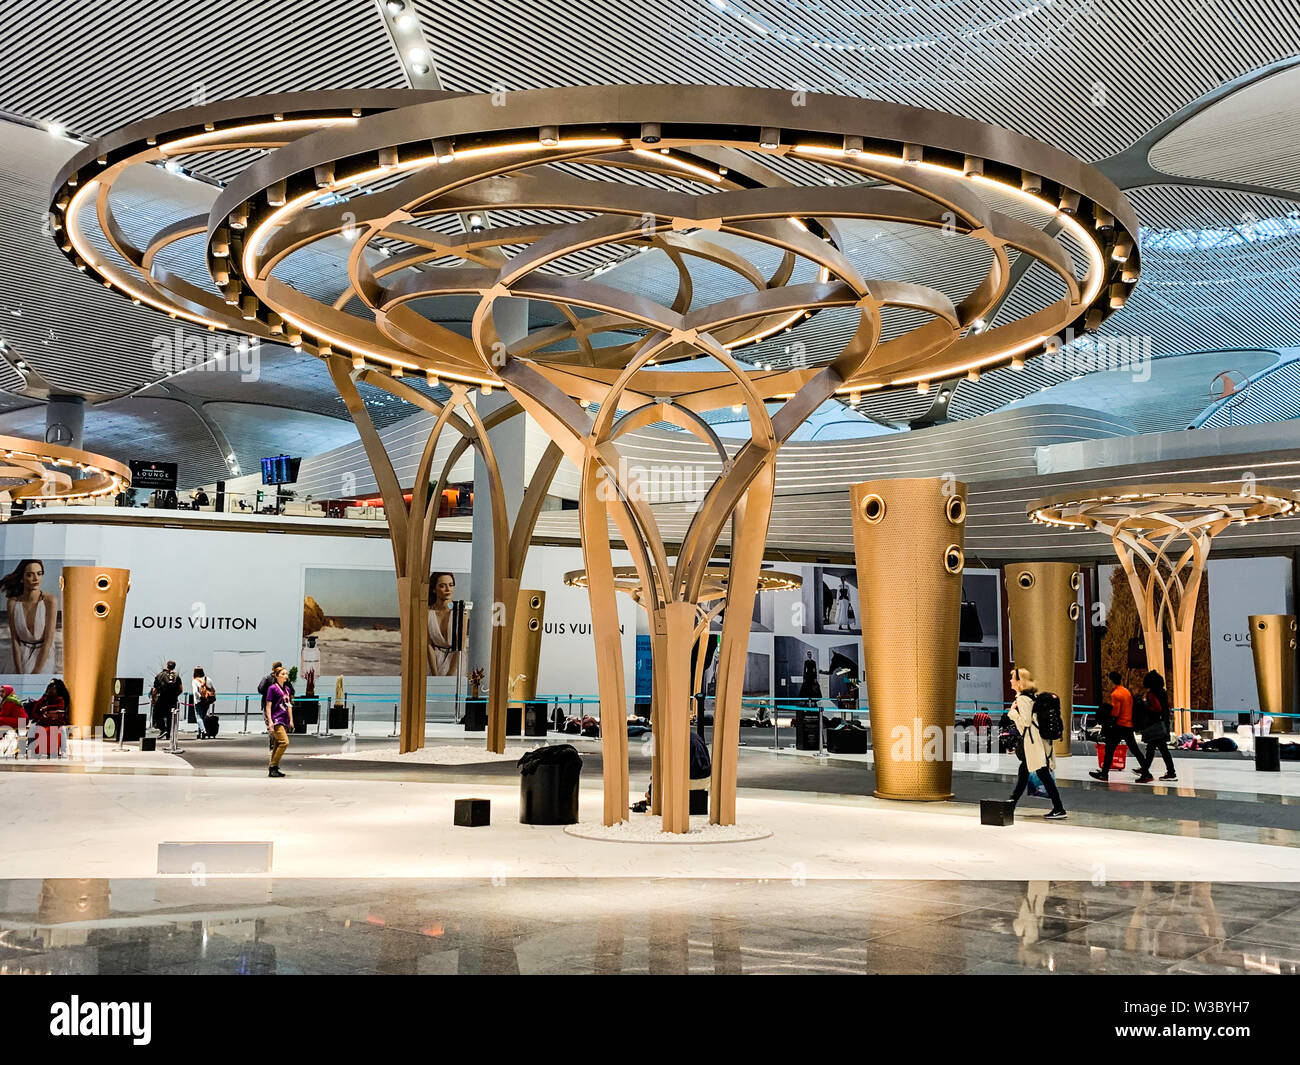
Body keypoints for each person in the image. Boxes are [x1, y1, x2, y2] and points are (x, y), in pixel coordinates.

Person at [1006, 667, 1067, 820]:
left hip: (1033, 744)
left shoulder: (1022, 699)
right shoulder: (1031, 696)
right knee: (1025, 773)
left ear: (1019, 682)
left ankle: (1059, 808)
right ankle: (1010, 805)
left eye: (1013, 678)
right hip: (1037, 743)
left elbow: (1025, 723)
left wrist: (1012, 713)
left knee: (1042, 774)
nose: (1010, 681)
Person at [3, 559, 57, 674]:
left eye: (39, 573)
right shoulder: (12, 603)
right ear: (22, 578)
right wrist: (18, 670)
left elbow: (48, 641)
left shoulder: (50, 601)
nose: (36, 578)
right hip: (20, 652)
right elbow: (15, 640)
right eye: (29, 575)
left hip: (43, 654)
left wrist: (36, 671)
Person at [1090, 671, 1142, 783]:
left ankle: (1104, 774)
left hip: (1120, 725)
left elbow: (1115, 712)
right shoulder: (1126, 691)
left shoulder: (1116, 694)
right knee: (1134, 749)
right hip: (1128, 724)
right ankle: (1146, 771)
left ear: (1111, 681)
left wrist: (1108, 715)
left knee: (1110, 749)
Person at [1134, 670, 1177, 783]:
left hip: (1155, 726)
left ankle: (1146, 772)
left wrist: (1145, 706)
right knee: (1159, 749)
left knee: (1153, 749)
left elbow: (1157, 708)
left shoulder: (1152, 694)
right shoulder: (1163, 692)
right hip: (1163, 723)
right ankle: (1166, 771)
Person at [426, 572, 461, 677]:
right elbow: (428, 645)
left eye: (451, 585)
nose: (448, 589)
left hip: (455, 660)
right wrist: (434, 673)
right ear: (434, 589)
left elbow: (459, 646)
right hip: (433, 660)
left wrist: (450, 673)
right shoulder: (427, 612)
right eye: (442, 586)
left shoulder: (460, 611)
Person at [25, 678, 70, 757]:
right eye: (49, 685)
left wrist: (47, 708)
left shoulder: (61, 698)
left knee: (62, 730)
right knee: (32, 729)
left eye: (53, 685)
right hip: (43, 721)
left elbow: (61, 707)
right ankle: (30, 749)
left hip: (56, 721)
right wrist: (39, 716)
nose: (50, 687)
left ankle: (64, 751)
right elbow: (35, 710)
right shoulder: (45, 698)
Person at [264, 666, 293, 778]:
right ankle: (273, 765)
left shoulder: (287, 689)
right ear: (276, 676)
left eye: (286, 673)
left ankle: (274, 768)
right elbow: (268, 706)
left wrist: (291, 720)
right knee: (284, 742)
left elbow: (288, 705)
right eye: (282, 674)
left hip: (284, 718)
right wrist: (270, 721)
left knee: (277, 744)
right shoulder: (272, 688)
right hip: (276, 719)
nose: (285, 675)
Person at [151, 661, 183, 739]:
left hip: (162, 698)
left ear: (167, 666)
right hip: (173, 699)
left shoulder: (160, 675)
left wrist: (154, 698)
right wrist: (175, 695)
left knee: (157, 714)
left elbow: (154, 689)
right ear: (174, 667)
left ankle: (162, 728)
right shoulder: (177, 676)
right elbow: (181, 689)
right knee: (170, 716)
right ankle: (168, 733)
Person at [192, 668, 216, 739]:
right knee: (202, 717)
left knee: (198, 717)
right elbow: (213, 689)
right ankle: (199, 733)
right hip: (207, 701)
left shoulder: (195, 681)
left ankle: (203, 731)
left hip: (198, 701)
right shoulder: (208, 679)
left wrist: (199, 697)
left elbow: (195, 691)